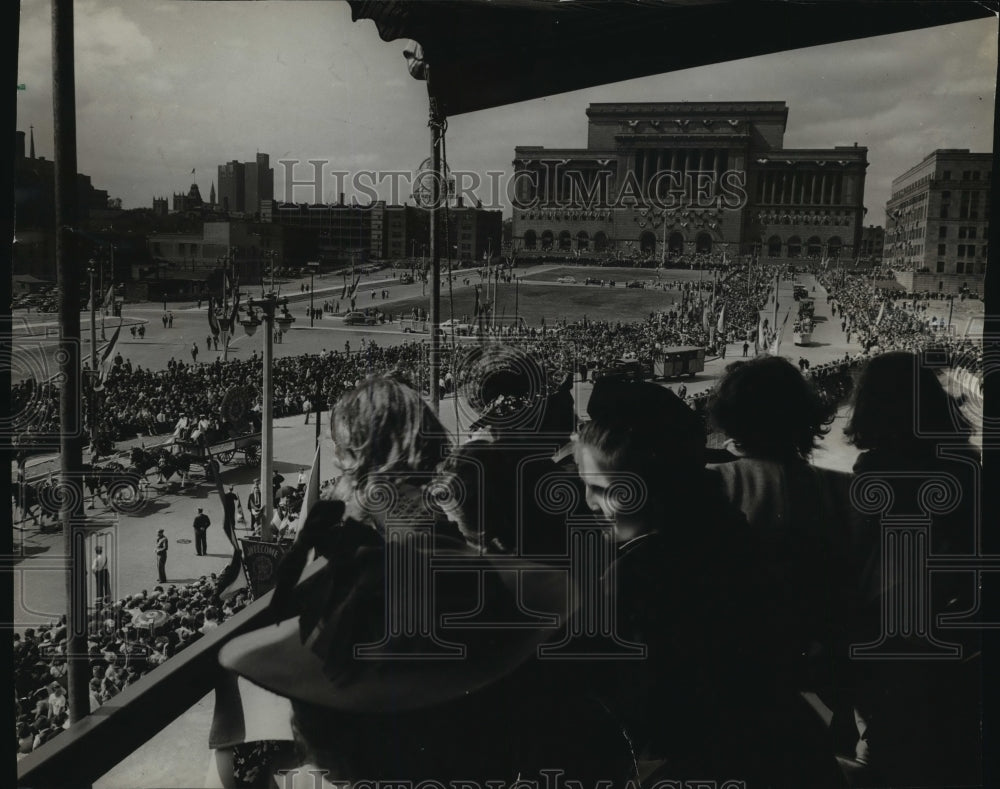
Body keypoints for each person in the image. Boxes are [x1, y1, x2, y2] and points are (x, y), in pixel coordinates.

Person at [571, 377, 846, 787]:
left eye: (603, 490)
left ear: (655, 488)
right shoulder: (720, 536)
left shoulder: (641, 575)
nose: (589, 503)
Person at [841, 351, 981, 787]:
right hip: (958, 628)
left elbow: (861, 561)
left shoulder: (875, 470)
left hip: (894, 631)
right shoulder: (968, 465)